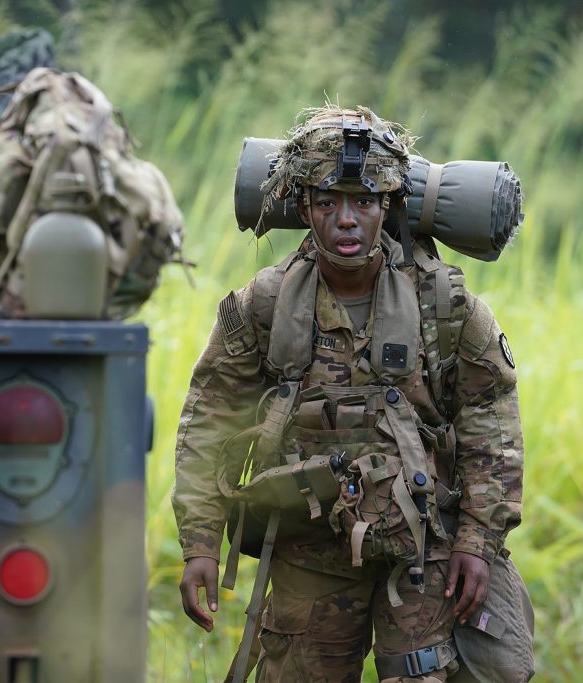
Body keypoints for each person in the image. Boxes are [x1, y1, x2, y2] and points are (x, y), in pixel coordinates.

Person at [172, 106, 525, 682]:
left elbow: (492, 423)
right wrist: (200, 544)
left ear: (387, 204)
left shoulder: (444, 305)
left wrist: (478, 540)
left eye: (362, 201)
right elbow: (208, 423)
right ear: (302, 205)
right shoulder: (263, 305)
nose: (345, 220)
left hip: (423, 549)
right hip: (308, 545)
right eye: (326, 202)